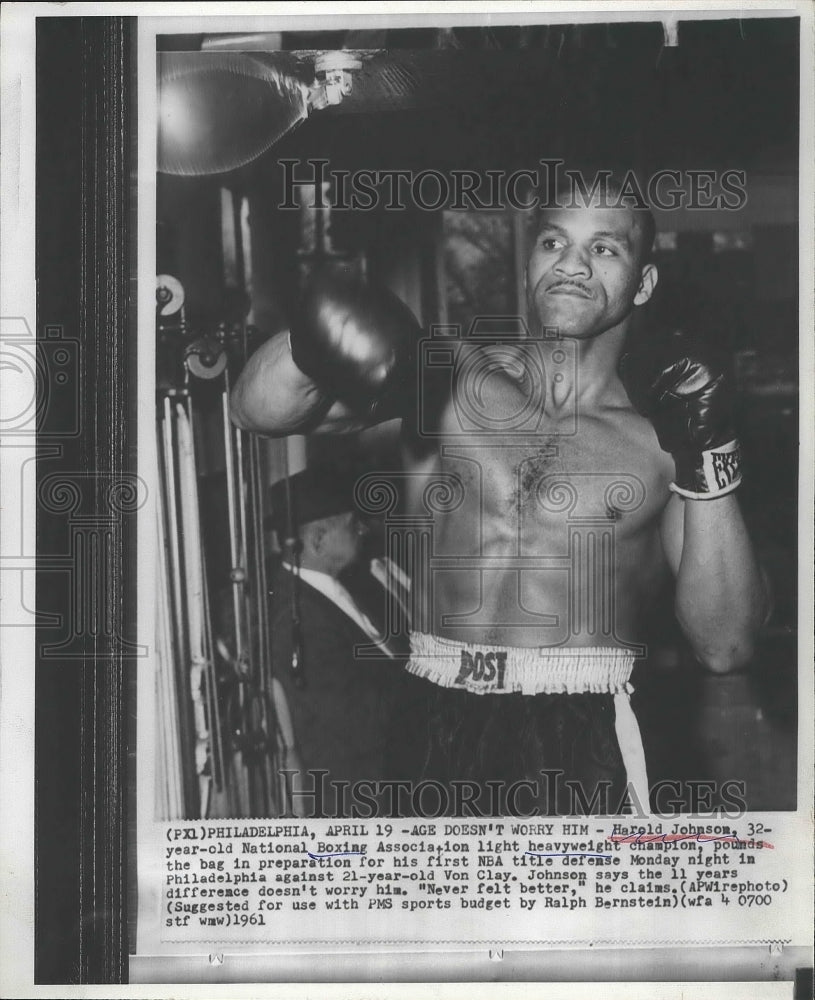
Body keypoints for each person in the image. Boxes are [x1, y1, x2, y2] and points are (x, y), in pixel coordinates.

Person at [232, 173, 768, 816]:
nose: (571, 264)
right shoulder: (447, 377)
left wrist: (709, 453)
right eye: (552, 242)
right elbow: (253, 411)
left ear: (644, 282)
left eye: (604, 248)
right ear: (529, 264)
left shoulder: (659, 440)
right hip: (431, 707)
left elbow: (726, 644)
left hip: (576, 735)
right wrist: (310, 338)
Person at [266, 465, 408, 816]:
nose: (363, 528)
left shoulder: (341, 586)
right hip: (364, 802)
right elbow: (362, 723)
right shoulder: (296, 618)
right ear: (317, 540)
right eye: (352, 522)